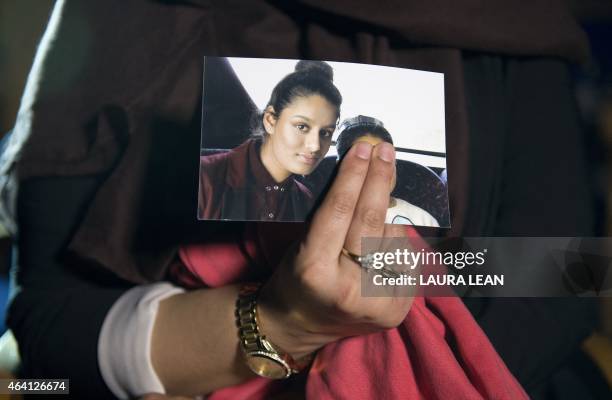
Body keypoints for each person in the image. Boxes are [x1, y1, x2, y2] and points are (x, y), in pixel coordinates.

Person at [2, 1, 605, 399]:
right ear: (268, 118)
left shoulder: (512, 18)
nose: (313, 148)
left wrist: (407, 266)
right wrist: (284, 322)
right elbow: (50, 351)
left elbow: (568, 277)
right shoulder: (129, 19)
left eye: (324, 135)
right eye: (300, 129)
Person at [198, 60, 341, 222]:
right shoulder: (205, 177)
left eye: (325, 132)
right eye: (302, 126)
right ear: (271, 120)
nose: (315, 146)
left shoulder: (306, 201)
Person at [335, 115, 440, 227]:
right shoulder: (331, 218)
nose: (378, 171)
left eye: (385, 159)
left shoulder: (424, 221)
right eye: (365, 160)